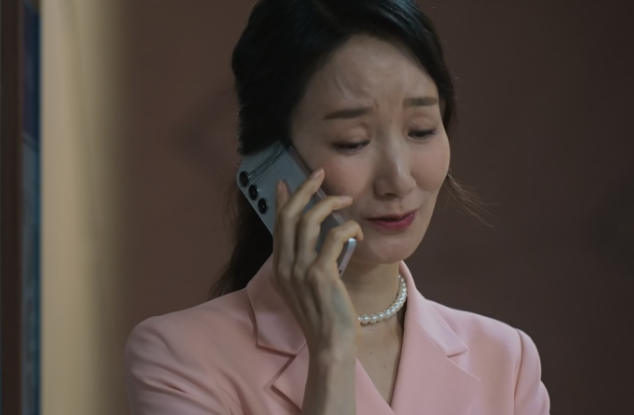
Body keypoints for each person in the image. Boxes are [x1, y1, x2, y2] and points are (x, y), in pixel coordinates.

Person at [124, 0, 551, 414]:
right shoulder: (180, 357)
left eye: (421, 130)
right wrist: (331, 354)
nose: (398, 179)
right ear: (273, 163)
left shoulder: (506, 361)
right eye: (353, 141)